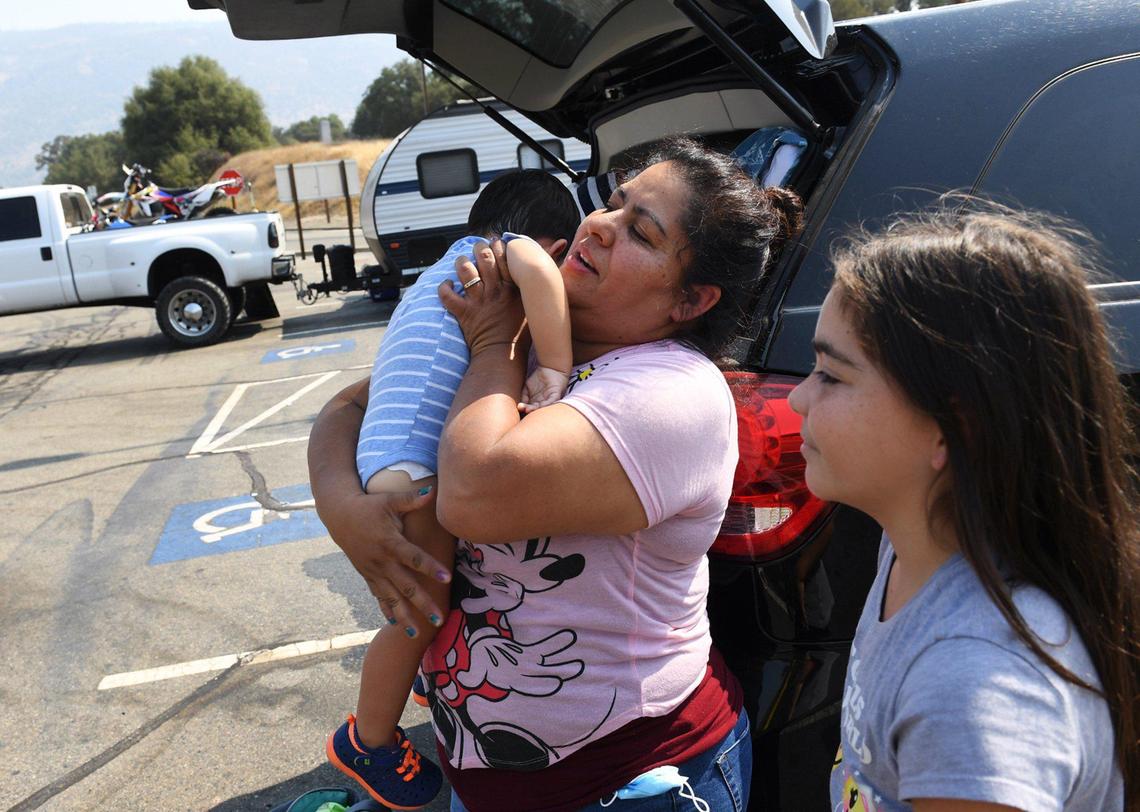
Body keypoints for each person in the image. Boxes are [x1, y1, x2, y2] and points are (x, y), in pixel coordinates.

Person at [307, 136, 804, 811]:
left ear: (691, 300)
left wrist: (491, 343)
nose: (598, 225)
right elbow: (348, 406)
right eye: (614, 203)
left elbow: (472, 494)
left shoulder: (669, 391)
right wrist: (342, 507)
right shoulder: (535, 338)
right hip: (484, 775)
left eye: (641, 232)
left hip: (631, 781)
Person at [786, 204, 1139, 811]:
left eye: (831, 376)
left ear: (955, 425)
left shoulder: (975, 688)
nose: (796, 398)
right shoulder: (910, 543)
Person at [324, 168, 581, 810]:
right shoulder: (504, 254)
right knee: (417, 615)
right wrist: (554, 366)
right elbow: (543, 278)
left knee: (435, 594)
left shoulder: (432, 278)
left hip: (387, 455)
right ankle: (369, 741)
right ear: (547, 243)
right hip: (410, 468)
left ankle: (421, 681)